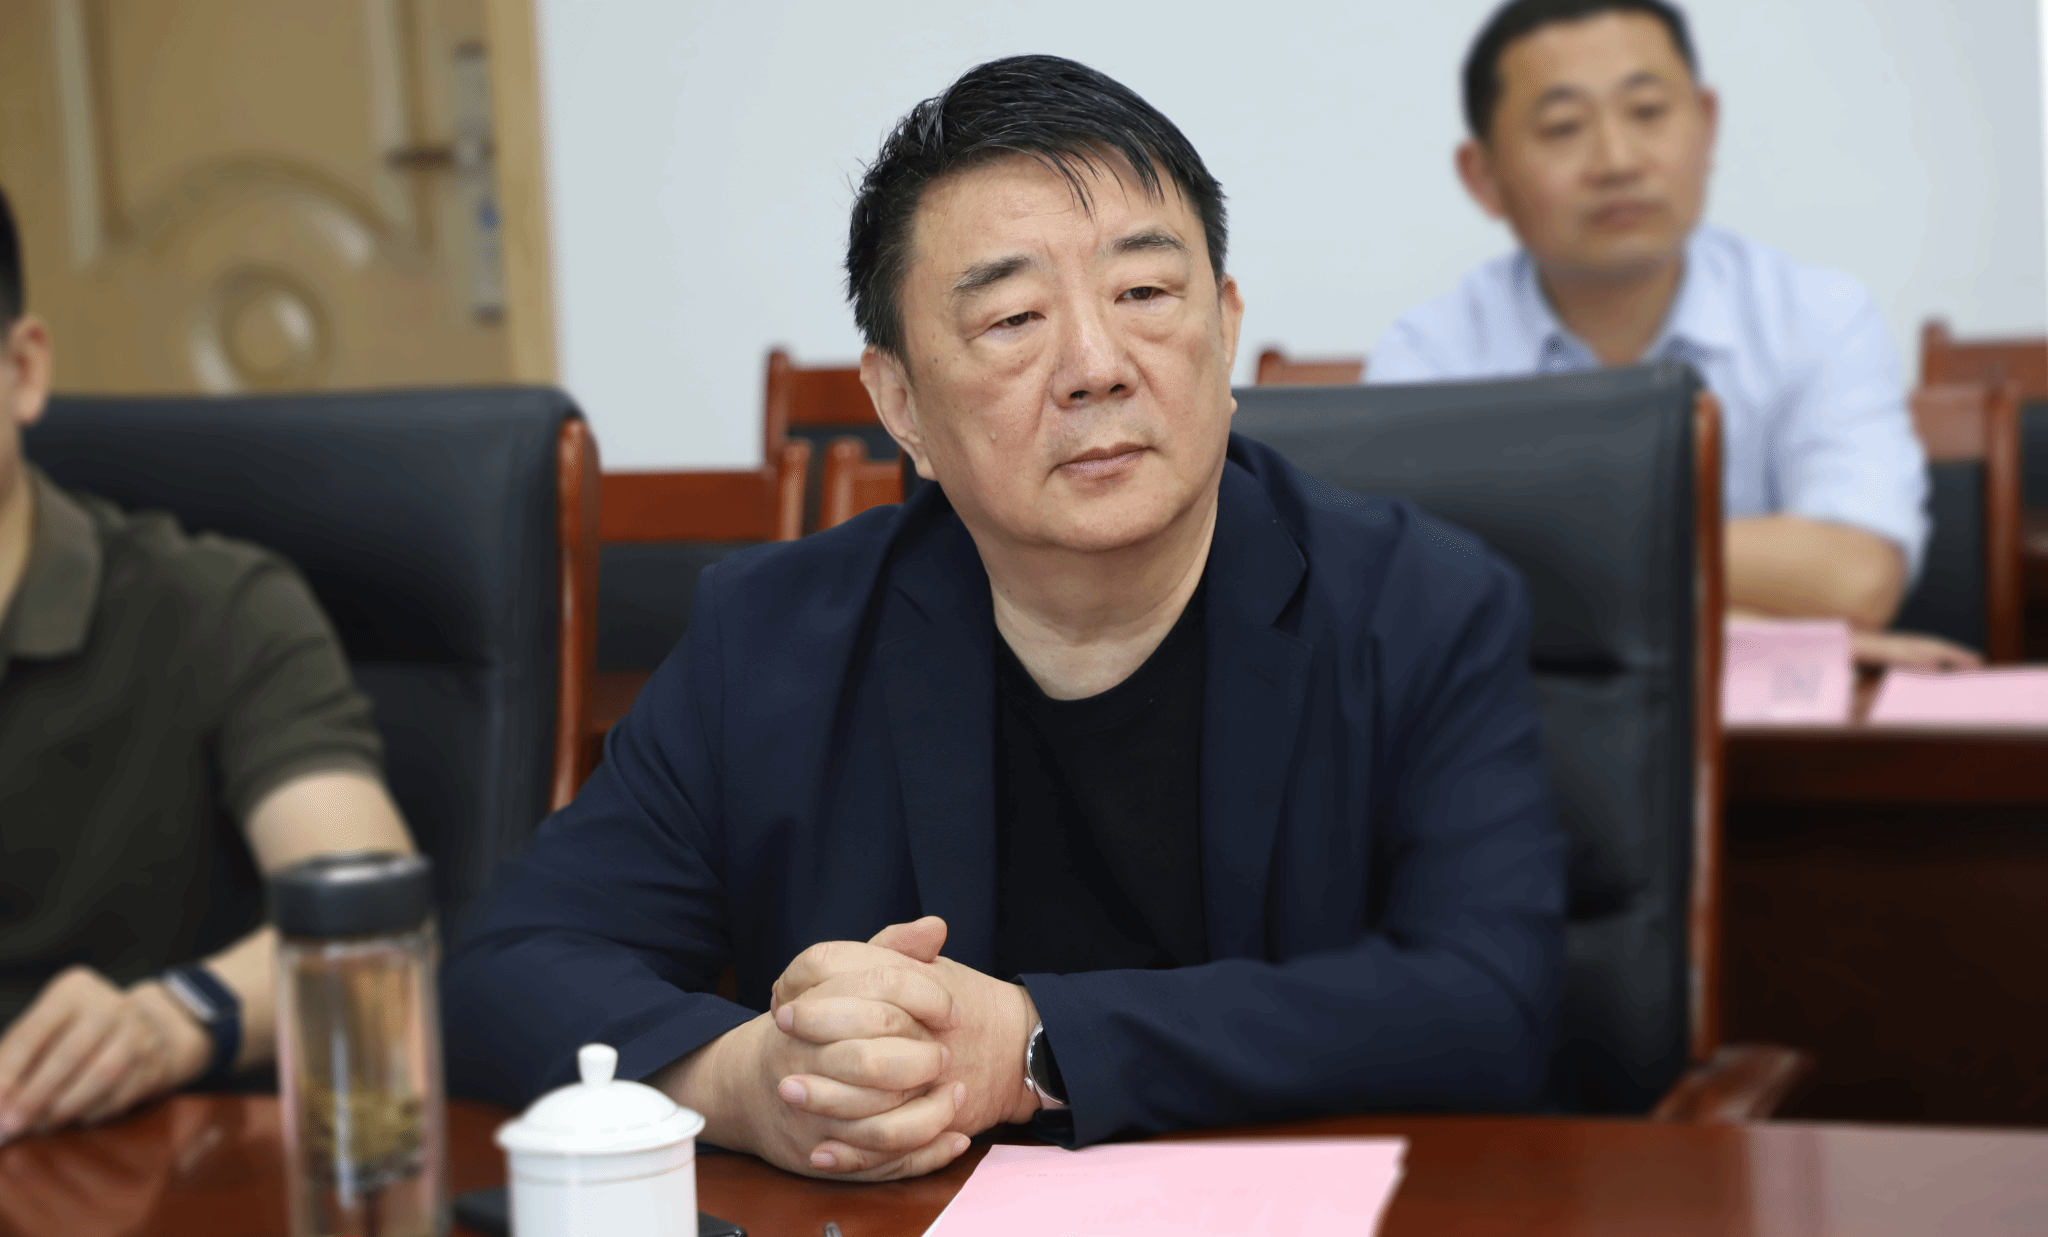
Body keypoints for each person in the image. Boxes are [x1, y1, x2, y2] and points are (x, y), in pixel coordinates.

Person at [444, 55, 1565, 1183]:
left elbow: (1490, 1004)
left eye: (1144, 294)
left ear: (1225, 331)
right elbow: (506, 968)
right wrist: (744, 1082)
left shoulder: (1417, 606)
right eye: (1013, 317)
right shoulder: (773, 637)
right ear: (900, 406)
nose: (1096, 366)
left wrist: (1034, 1046)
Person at [1370, 0, 1969, 669]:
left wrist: (1538, 557)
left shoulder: (1818, 316)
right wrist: (1747, 628)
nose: (1617, 160)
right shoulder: (1431, 353)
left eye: (1648, 112)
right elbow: (1409, 592)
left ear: (1707, 126)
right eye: (1563, 127)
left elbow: (1856, 578)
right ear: (1484, 177)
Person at [0, 184, 416, 1142]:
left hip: (120, 1163)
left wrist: (168, 1021)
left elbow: (368, 918)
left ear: (22, 370)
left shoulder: (213, 606)